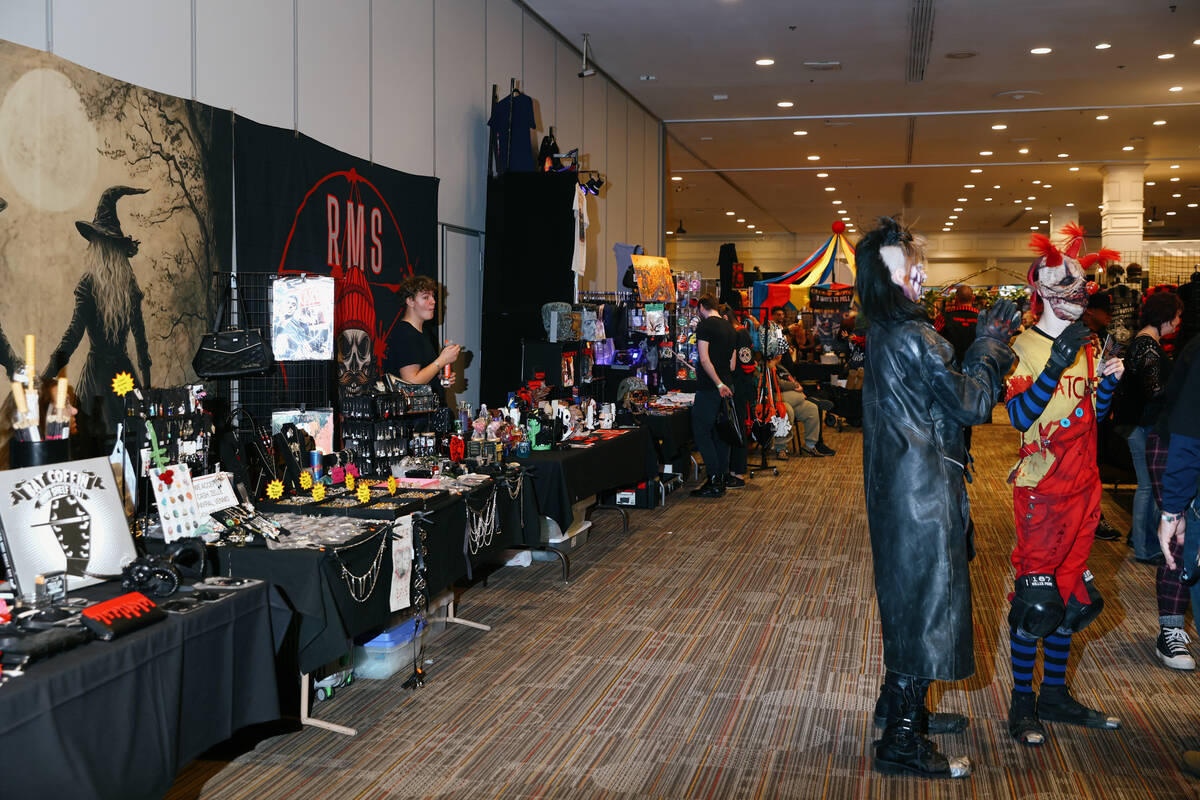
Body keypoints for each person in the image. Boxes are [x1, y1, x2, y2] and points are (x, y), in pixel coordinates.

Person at [858, 217, 1019, 779]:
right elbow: (973, 405)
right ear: (888, 277)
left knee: (910, 600)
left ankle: (899, 710)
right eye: (911, 265)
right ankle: (902, 739)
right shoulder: (916, 337)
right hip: (920, 490)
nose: (921, 273)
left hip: (897, 487)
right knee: (927, 605)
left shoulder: (884, 332)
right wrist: (992, 347)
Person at [1003, 227, 1123, 748]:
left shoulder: (1090, 347)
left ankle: (1053, 694)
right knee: (1036, 602)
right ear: (1042, 288)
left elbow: (1093, 416)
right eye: (1065, 282)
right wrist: (1054, 364)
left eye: (1081, 282)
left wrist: (1108, 388)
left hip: (1085, 488)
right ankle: (1021, 703)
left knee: (1071, 601)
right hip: (1042, 492)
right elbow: (1019, 416)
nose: (1079, 290)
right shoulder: (1022, 348)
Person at [42, 186, 152, 456]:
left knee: (95, 448)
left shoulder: (90, 284)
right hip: (123, 376)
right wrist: (146, 388)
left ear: (98, 246)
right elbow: (140, 341)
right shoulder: (127, 284)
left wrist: (45, 378)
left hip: (98, 381)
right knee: (130, 445)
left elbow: (72, 337)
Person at [1118, 292, 1183, 565]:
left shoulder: (1146, 342)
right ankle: (1144, 547)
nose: (1179, 322)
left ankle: (1143, 542)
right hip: (1139, 423)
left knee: (1147, 486)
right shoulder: (1146, 345)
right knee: (1148, 486)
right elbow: (1155, 391)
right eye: (1177, 316)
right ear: (1165, 316)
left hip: (1137, 422)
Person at [690, 293, 736, 498]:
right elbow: (732, 364)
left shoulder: (705, 326)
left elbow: (704, 359)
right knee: (722, 433)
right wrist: (723, 382)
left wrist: (717, 383)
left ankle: (715, 478)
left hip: (712, 387)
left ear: (701, 307)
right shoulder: (729, 326)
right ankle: (721, 477)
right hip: (728, 385)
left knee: (701, 431)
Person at [393, 275, 460, 402]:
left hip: (426, 415)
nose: (433, 301)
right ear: (410, 301)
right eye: (425, 297)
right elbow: (411, 382)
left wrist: (438, 377)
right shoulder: (405, 334)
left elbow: (421, 374)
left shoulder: (423, 333)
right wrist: (442, 360)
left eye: (433, 296)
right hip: (413, 420)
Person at [769, 356, 835, 457]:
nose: (781, 354)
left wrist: (797, 386)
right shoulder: (767, 366)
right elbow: (777, 384)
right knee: (787, 411)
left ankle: (810, 445)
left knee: (812, 408)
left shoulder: (781, 367)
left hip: (796, 400)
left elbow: (790, 379)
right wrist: (795, 386)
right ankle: (781, 448)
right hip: (776, 400)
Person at [722, 302, 756, 487]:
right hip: (737, 385)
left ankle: (739, 473)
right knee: (735, 428)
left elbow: (747, 363)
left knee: (738, 428)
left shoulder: (740, 333)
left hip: (741, 387)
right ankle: (734, 470)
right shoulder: (737, 332)